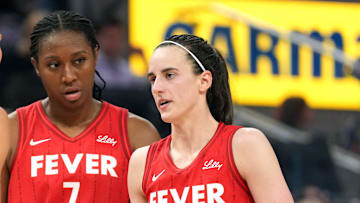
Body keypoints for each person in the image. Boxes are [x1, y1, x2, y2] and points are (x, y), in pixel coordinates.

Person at [1, 10, 160, 202]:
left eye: (79, 61)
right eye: (54, 65)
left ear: (95, 55)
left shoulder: (138, 134)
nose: (68, 76)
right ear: (36, 67)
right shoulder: (11, 132)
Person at [127, 34, 294, 202]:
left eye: (169, 75)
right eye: (153, 79)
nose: (157, 88)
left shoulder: (245, 144)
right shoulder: (141, 163)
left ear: (204, 81)